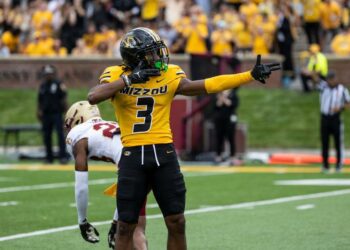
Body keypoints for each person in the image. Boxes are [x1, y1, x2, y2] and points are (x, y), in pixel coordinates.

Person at [87, 27, 280, 250]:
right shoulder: (115, 73)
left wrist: (249, 76)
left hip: (164, 154)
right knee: (125, 227)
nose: (159, 57)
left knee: (177, 222)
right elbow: (93, 96)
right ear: (135, 57)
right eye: (151, 53)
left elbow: (208, 84)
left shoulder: (169, 73)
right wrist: (130, 79)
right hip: (132, 156)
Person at [64, 101, 147, 249]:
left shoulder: (78, 136)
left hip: (133, 164)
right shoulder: (110, 124)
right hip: (150, 155)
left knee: (124, 234)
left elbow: (81, 186)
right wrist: (115, 222)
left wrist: (82, 221)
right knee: (136, 230)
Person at [316, 72, 350, 173]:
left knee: (338, 143)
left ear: (336, 78)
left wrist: (340, 108)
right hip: (325, 117)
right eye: (329, 79)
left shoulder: (342, 89)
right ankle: (325, 165)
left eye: (332, 79)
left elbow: (348, 103)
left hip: (335, 118)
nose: (331, 81)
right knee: (324, 142)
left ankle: (339, 165)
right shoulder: (323, 87)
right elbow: (315, 80)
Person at [37, 64, 68, 164]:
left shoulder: (58, 84)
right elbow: (40, 100)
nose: (48, 76)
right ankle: (49, 157)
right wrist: (39, 110)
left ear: (53, 74)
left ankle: (62, 156)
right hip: (46, 114)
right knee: (47, 136)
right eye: (46, 74)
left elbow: (63, 98)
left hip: (57, 113)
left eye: (50, 74)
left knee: (60, 135)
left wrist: (66, 113)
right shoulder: (42, 85)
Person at [213, 88, 240, 165]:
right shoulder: (218, 96)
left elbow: (232, 105)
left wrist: (225, 98)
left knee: (231, 138)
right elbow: (216, 106)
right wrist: (221, 99)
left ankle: (232, 156)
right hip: (220, 120)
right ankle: (218, 156)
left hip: (230, 120)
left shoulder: (233, 96)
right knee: (219, 138)